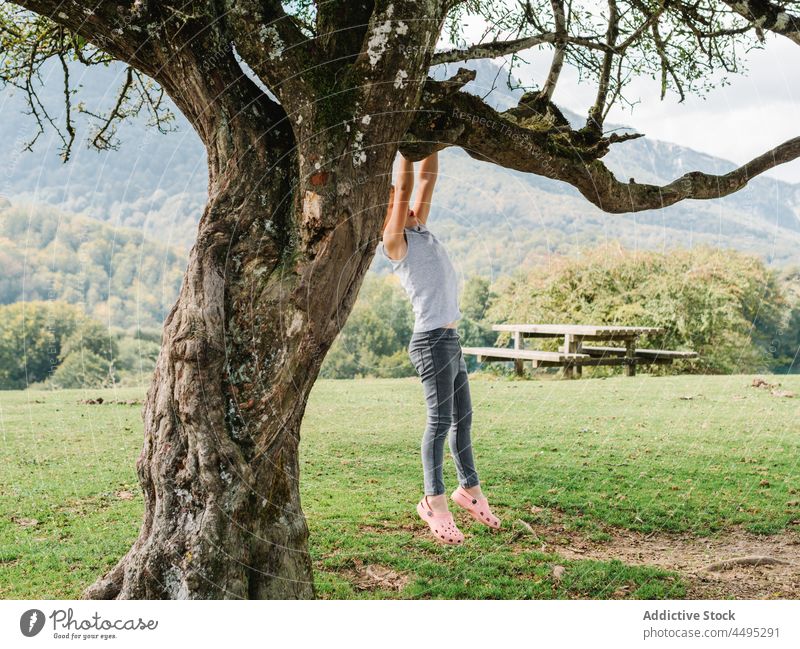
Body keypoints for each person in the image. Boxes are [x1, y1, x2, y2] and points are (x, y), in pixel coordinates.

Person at [378, 151, 501, 545]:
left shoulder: (421, 229)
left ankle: (469, 490)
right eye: (400, 205)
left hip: (449, 338)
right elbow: (405, 190)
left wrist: (429, 141)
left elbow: (426, 180)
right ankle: (434, 501)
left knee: (463, 418)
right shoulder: (394, 241)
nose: (410, 206)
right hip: (430, 340)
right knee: (439, 422)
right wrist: (404, 149)